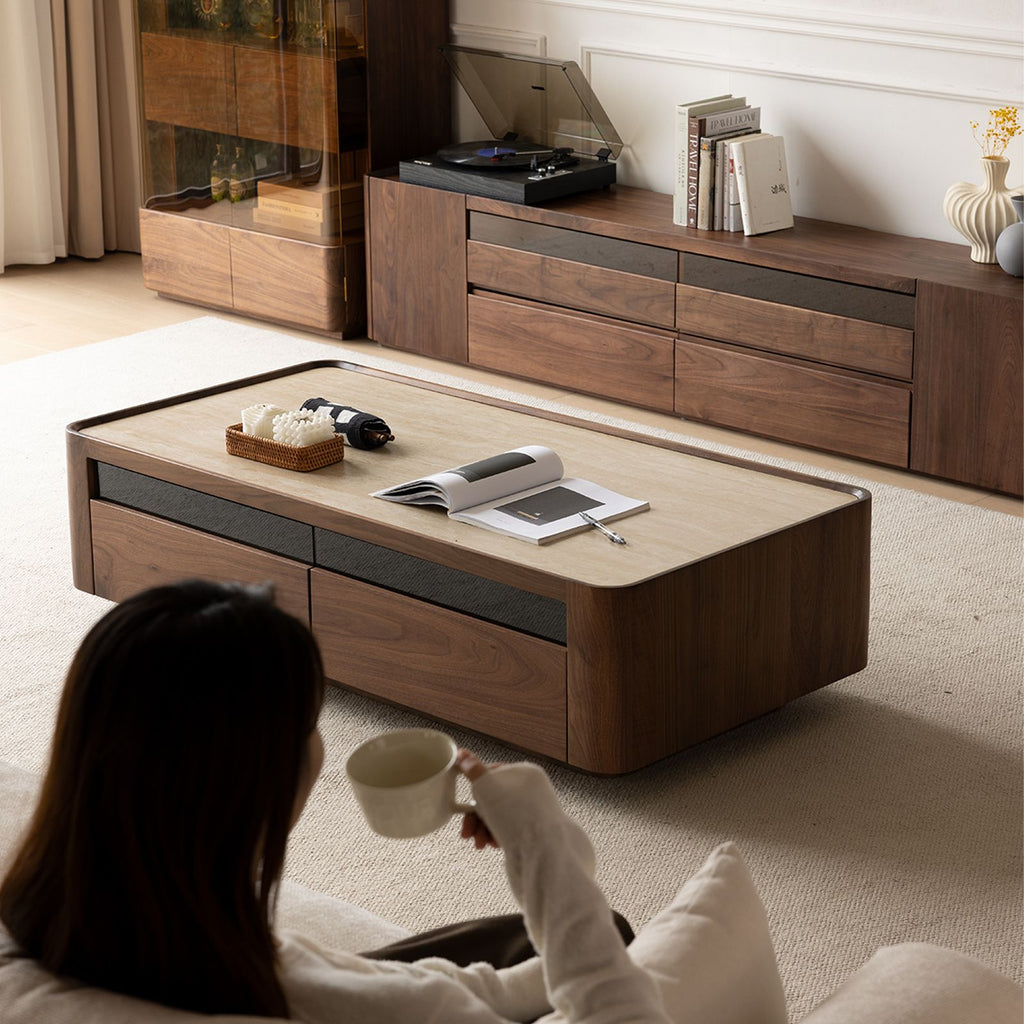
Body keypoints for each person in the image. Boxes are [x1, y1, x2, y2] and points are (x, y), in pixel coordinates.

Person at [0, 580, 675, 1022]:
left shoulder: (70, 917)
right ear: (244, 787)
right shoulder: (343, 1005)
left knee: (563, 935)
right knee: (602, 935)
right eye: (309, 724)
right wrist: (545, 847)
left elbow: (332, 979)